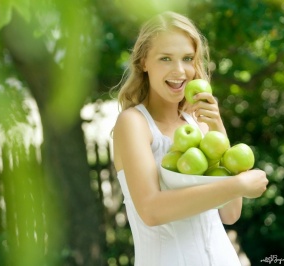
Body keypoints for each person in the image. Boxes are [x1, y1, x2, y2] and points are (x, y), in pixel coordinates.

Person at [112, 11, 268, 266]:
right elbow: (152, 210)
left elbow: (230, 213)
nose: (180, 70)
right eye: (165, 58)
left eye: (187, 58)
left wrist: (217, 127)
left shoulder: (200, 124)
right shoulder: (133, 123)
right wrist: (238, 184)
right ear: (144, 62)